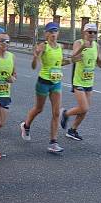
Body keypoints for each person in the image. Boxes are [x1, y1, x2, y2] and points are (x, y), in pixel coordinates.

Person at [20, 22, 78, 153]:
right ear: (46, 34)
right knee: (39, 108)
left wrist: (72, 60)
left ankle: (53, 142)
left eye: (55, 31)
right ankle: (26, 125)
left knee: (56, 112)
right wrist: (35, 57)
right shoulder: (43, 46)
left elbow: (60, 63)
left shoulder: (60, 47)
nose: (53, 34)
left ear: (58, 33)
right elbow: (34, 66)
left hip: (56, 82)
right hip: (44, 82)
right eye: (50, 32)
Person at [60, 23, 101, 140]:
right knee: (84, 107)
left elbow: (99, 61)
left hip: (89, 81)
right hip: (78, 80)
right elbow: (73, 57)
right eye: (90, 32)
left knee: (85, 110)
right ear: (84, 32)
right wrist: (82, 48)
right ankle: (65, 113)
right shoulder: (78, 43)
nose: (92, 34)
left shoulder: (96, 46)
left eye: (95, 32)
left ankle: (72, 130)